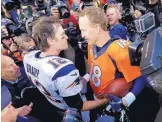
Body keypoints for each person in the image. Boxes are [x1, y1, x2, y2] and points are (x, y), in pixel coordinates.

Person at [79, 6, 159, 122]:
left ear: (96, 28)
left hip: (132, 104)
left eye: (84, 30)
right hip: (105, 101)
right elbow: (94, 66)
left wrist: (126, 100)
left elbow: (141, 76)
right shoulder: (92, 45)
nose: (82, 35)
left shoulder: (118, 48)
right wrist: (85, 78)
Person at [23, 16, 108, 121]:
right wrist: (104, 100)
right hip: (71, 111)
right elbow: (79, 106)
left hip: (54, 103)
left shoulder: (28, 57)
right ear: (51, 41)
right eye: (62, 35)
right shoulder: (64, 69)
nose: (67, 37)